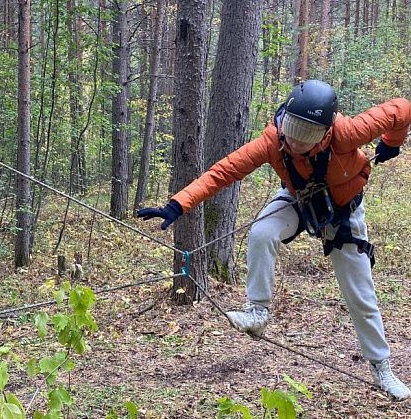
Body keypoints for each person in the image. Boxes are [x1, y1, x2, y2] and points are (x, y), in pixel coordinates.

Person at [137, 80, 411, 400]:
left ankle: (381, 367)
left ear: (325, 132)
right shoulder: (273, 140)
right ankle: (258, 311)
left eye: (305, 136)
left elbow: (402, 109)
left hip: (344, 212)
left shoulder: (348, 132)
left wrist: (393, 142)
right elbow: (224, 171)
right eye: (292, 130)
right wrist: (178, 204)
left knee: (360, 295)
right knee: (262, 232)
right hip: (298, 199)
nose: (295, 142)